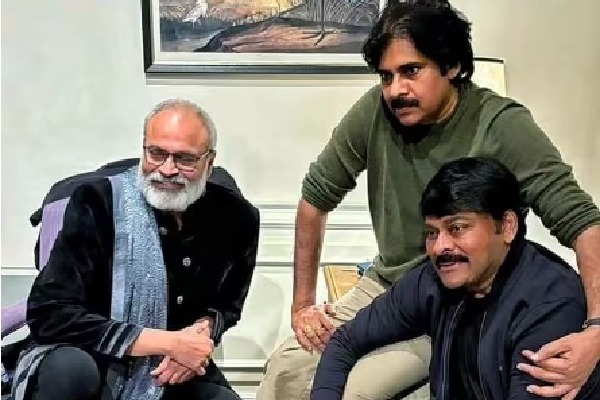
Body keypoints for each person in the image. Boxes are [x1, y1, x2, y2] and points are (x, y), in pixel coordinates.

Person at [257, 1, 600, 399]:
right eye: (386, 76)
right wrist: (302, 306)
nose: (396, 90)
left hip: (453, 297)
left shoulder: (502, 125)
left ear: (451, 66)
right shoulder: (374, 111)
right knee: (285, 371)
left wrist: (597, 328)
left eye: (411, 71)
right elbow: (315, 197)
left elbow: (582, 223)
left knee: (354, 390)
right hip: (387, 286)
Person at [11, 99, 260, 400]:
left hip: (170, 369)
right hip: (89, 356)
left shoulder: (237, 217)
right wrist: (167, 343)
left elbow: (227, 306)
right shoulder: (97, 203)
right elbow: (49, 313)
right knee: (72, 370)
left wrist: (197, 337)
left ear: (209, 162)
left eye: (185, 159)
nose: (167, 169)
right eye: (156, 153)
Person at [310, 157, 600, 400]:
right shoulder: (433, 278)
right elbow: (345, 341)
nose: (440, 247)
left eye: (457, 228)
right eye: (432, 232)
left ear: (507, 226)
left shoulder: (549, 307)